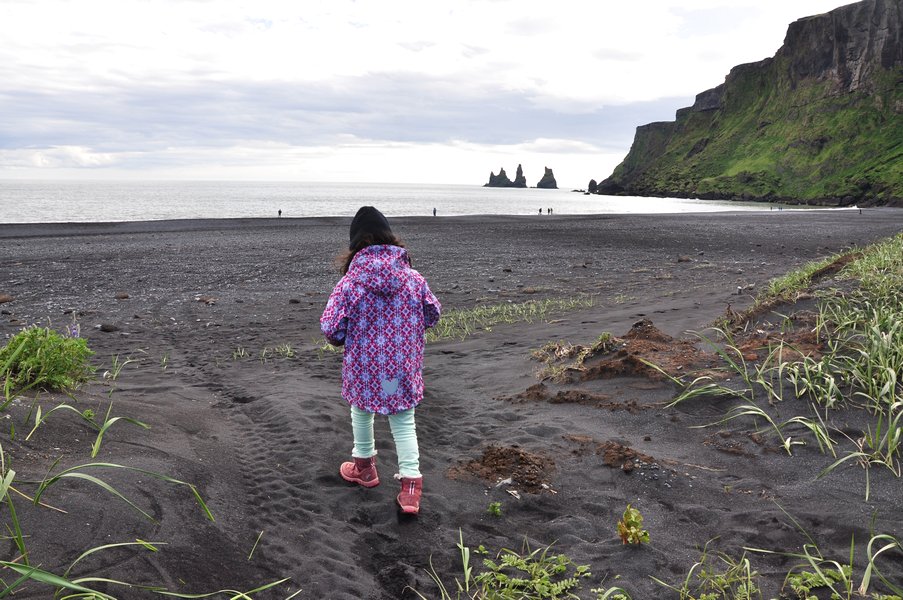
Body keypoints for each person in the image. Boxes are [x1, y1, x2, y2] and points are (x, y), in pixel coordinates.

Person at [320, 206, 441, 515]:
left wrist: (348, 337)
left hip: (365, 369)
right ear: (390, 238)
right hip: (401, 367)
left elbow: (332, 329)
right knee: (404, 422)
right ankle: (411, 490)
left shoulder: (349, 284)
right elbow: (433, 314)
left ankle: (365, 469)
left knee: (361, 412)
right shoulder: (413, 279)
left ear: (355, 245)